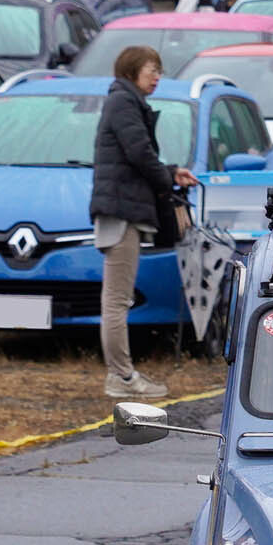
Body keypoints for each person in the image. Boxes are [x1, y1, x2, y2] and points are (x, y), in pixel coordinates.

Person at [90, 46, 198, 399]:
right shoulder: (123, 102)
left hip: (125, 208)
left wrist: (170, 172)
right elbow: (139, 153)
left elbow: (137, 155)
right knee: (117, 300)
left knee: (117, 298)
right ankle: (121, 377)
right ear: (132, 70)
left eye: (160, 71)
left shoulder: (126, 101)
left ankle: (120, 374)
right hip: (122, 211)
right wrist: (165, 178)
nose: (157, 77)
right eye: (152, 70)